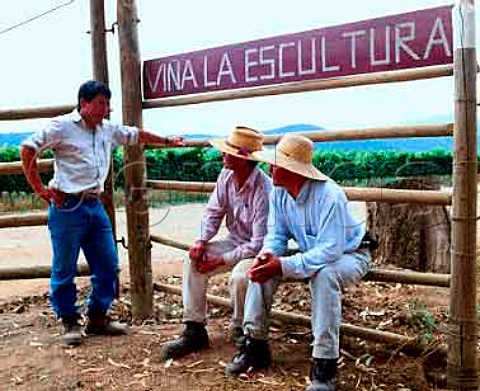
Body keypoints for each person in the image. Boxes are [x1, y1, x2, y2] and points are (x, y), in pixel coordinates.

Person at [20, 80, 183, 346]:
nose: (105, 109)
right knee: (64, 267)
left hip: (95, 205)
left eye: (107, 104)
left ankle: (97, 317)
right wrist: (40, 190)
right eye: (100, 104)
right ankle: (69, 321)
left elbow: (135, 134)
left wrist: (166, 141)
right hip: (67, 206)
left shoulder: (107, 129)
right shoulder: (62, 126)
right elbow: (28, 148)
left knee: (108, 264)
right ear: (83, 104)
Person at [224, 134, 373, 391]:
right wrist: (269, 254)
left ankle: (324, 364)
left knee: (325, 275)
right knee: (260, 269)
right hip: (313, 252)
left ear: (293, 170)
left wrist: (283, 265)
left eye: (276, 164)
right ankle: (255, 343)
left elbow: (331, 250)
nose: (270, 168)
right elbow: (277, 234)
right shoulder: (280, 193)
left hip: (350, 255)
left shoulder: (330, 196)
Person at [161, 126, 272, 359]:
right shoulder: (226, 176)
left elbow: (259, 243)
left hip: (258, 249)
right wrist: (202, 240)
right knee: (192, 261)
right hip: (237, 241)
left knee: (242, 276)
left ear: (243, 159)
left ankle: (242, 329)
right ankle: (195, 328)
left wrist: (221, 260)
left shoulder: (265, 189)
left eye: (228, 151)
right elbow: (213, 212)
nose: (223, 154)